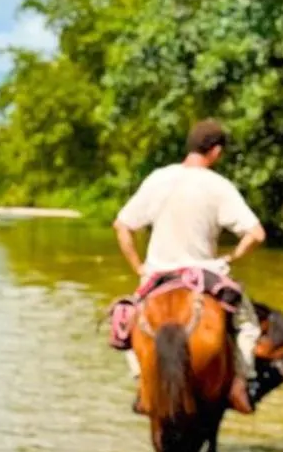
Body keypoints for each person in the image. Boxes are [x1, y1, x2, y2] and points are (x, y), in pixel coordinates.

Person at [113, 120, 266, 405]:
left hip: (158, 274)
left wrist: (138, 267)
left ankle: (143, 384)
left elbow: (122, 226)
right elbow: (256, 234)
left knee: (125, 319)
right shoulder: (219, 186)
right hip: (203, 274)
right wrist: (233, 256)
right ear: (215, 151)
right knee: (248, 325)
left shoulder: (158, 178)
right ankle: (241, 384)